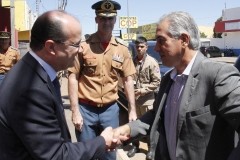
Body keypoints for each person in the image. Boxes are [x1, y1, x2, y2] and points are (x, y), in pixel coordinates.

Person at [113, 11, 240, 160]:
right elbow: (157, 116)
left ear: (184, 40)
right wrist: (126, 129)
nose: (156, 48)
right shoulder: (168, 78)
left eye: (161, 41)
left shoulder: (219, 75)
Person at [0, 10, 126, 160]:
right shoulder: (31, 91)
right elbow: (56, 155)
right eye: (75, 44)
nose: (80, 50)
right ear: (51, 47)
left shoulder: (33, 72)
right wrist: (102, 142)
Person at [68, 0, 137, 159]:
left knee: (110, 155)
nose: (107, 22)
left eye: (110, 18)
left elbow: (127, 80)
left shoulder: (122, 48)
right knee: (85, 154)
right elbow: (72, 77)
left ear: (115, 20)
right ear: (96, 19)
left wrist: (132, 109)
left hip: (110, 110)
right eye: (103, 18)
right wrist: (75, 111)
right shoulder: (84, 47)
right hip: (86, 110)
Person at [127, 36, 160, 159]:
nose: (139, 49)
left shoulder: (152, 62)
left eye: (141, 46)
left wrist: (141, 90)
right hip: (134, 101)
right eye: (137, 46)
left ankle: (151, 149)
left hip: (147, 100)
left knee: (149, 126)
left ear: (146, 48)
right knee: (134, 124)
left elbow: (157, 82)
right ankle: (135, 146)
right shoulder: (132, 62)